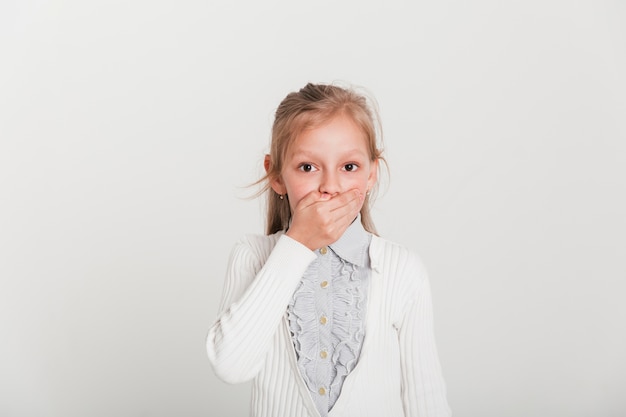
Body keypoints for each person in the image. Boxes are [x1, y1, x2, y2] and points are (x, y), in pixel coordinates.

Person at [206, 83, 451, 417]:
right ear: (277, 176)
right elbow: (231, 366)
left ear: (371, 175)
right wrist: (297, 244)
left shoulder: (402, 269)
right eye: (308, 167)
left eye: (349, 167)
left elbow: (426, 397)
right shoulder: (252, 256)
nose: (330, 187)